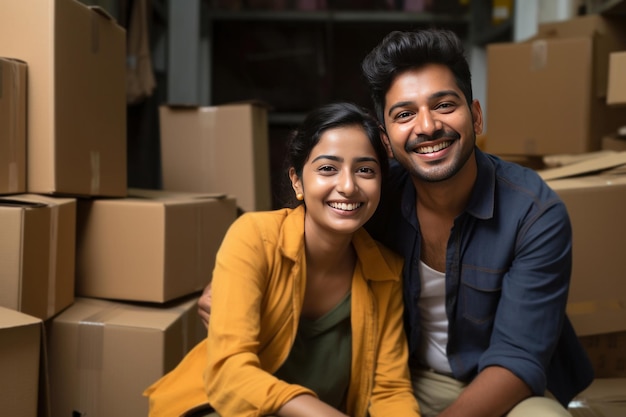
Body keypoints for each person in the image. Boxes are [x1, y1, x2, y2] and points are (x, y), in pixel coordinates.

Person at [199, 29, 595, 417]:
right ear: (386, 138)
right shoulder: (371, 196)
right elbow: (297, 235)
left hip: (497, 388)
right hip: (398, 379)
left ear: (475, 116)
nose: (426, 126)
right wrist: (235, 284)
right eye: (405, 114)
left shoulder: (534, 213)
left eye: (444, 105)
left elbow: (518, 359)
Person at [144, 102, 421, 417]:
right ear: (297, 181)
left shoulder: (385, 272)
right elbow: (230, 371)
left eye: (365, 170)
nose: (347, 186)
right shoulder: (254, 237)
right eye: (328, 168)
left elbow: (390, 391)